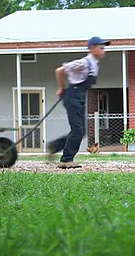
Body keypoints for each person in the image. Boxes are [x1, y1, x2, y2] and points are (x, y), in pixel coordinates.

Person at [47, 36, 110, 168]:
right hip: (73, 96)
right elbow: (59, 71)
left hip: (79, 97)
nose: (104, 50)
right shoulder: (84, 63)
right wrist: (62, 87)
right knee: (77, 130)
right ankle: (66, 160)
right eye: (101, 47)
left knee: (81, 131)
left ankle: (55, 146)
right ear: (92, 48)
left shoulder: (94, 64)